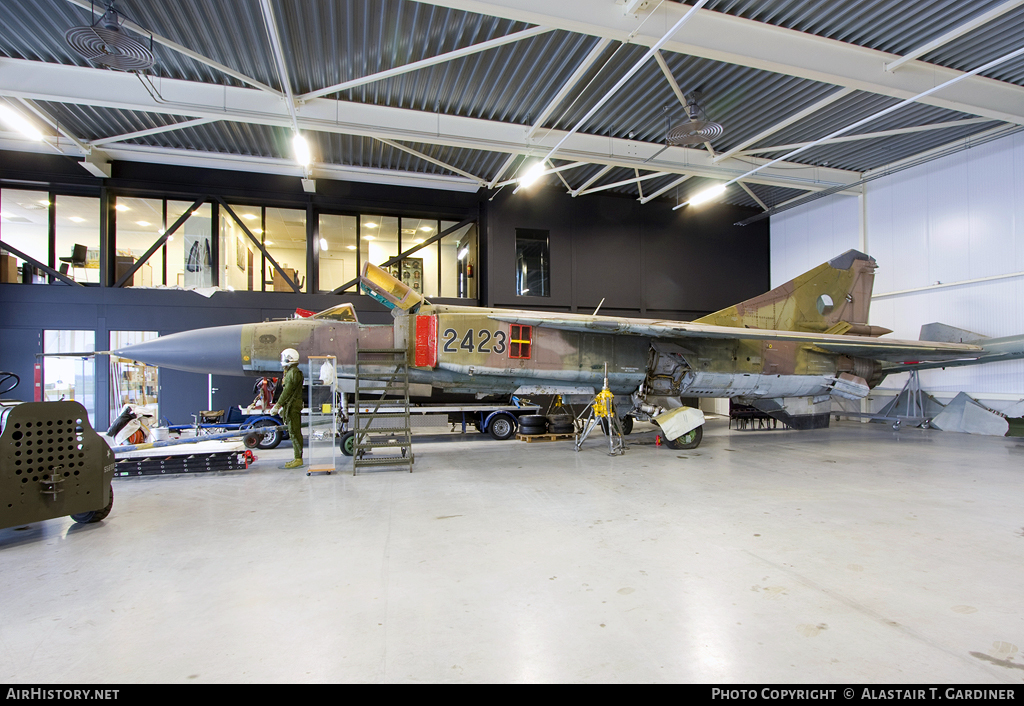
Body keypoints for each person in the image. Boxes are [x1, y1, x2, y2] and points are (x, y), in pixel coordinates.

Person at [270, 348, 304, 469]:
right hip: (291, 405)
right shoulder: (291, 372)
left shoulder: (293, 373)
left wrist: (278, 405)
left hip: (292, 406)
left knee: (294, 432)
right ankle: (297, 457)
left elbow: (288, 391)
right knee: (293, 431)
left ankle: (298, 458)